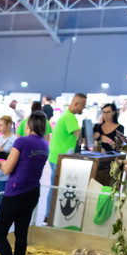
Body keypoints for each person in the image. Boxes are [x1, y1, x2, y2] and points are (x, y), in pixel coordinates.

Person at [0, 112, 49, 255]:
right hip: (33, 191)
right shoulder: (44, 144)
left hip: (16, 191)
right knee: (21, 232)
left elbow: (7, 169)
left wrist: (1, 162)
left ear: (29, 125)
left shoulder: (21, 141)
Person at [45, 93, 86, 222]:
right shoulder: (69, 117)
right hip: (60, 158)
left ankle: (49, 216)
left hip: (55, 156)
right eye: (83, 105)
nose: (83, 108)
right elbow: (79, 136)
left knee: (55, 187)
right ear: (76, 104)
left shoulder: (67, 115)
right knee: (56, 188)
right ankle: (49, 216)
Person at [0, 115, 18, 193]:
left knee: (2, 198)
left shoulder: (14, 140)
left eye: (1, 125)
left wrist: (4, 152)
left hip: (5, 177)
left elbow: (15, 159)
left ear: (8, 125)